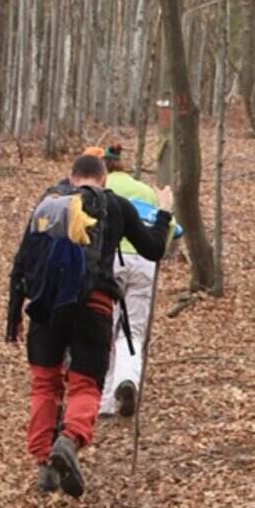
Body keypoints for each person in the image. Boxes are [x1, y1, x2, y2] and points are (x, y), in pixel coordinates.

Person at [6, 152, 173, 498]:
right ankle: (69, 440)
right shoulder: (115, 206)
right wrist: (164, 211)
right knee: (85, 384)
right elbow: (154, 249)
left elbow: (21, 261)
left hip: (45, 307)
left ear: (71, 177)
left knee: (45, 384)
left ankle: (44, 462)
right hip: (93, 304)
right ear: (104, 179)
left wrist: (14, 316)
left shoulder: (48, 204)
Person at [98, 144, 171, 419]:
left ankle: (104, 402)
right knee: (133, 331)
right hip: (143, 262)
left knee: (105, 328)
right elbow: (165, 227)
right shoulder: (145, 191)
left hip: (112, 261)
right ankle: (126, 379)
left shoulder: (99, 190)